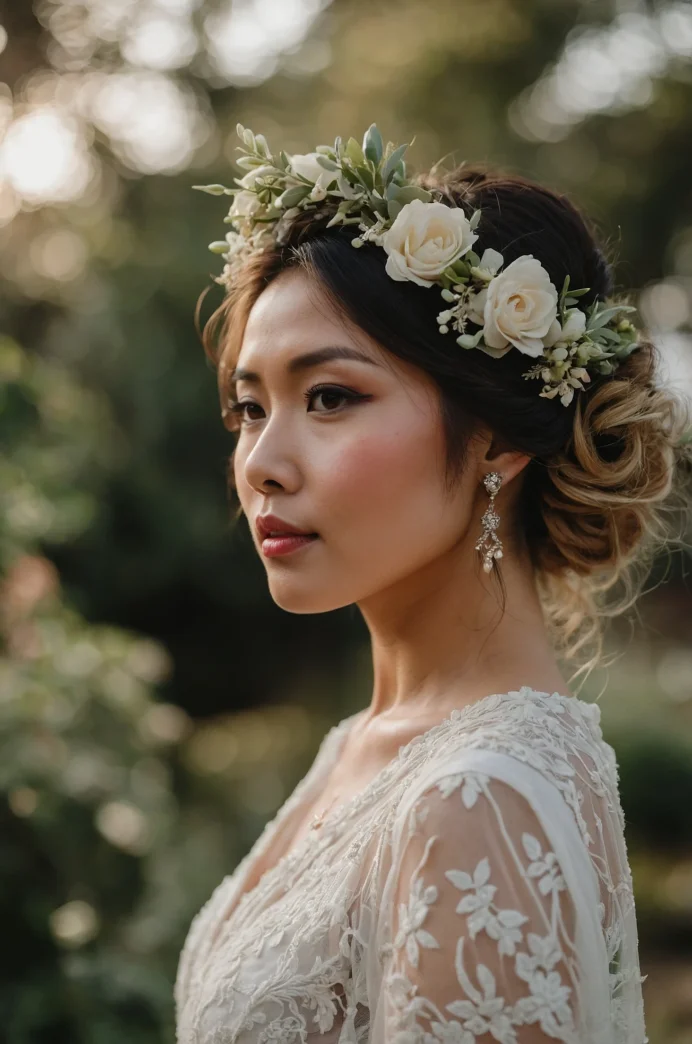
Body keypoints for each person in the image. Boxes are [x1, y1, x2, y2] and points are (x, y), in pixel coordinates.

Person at [175, 126, 691, 1043]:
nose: (261, 463)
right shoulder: (367, 746)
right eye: (251, 407)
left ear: (499, 434)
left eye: (330, 396)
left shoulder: (476, 796)